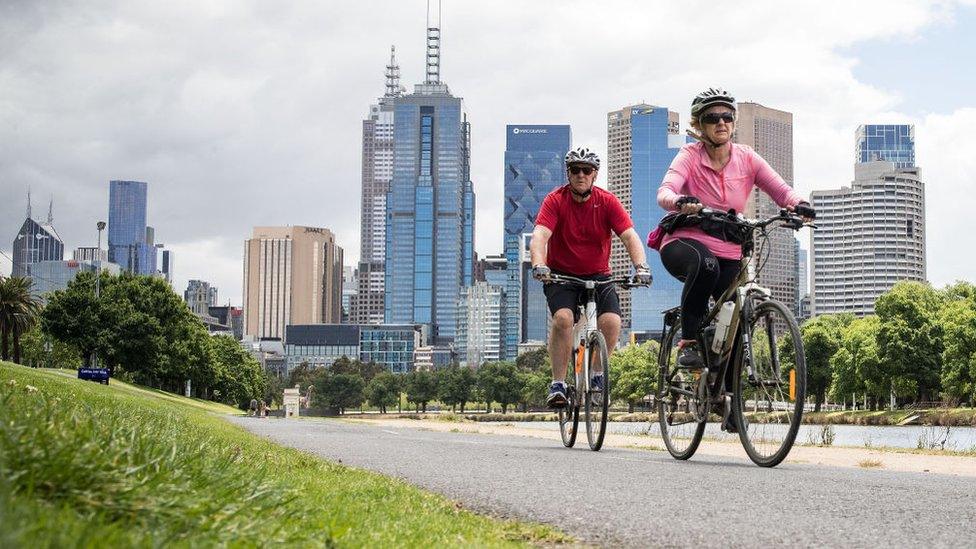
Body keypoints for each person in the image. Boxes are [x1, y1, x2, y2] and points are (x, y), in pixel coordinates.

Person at [655, 88, 815, 428]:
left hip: (731, 246)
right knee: (705, 265)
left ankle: (727, 403)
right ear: (699, 125)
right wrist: (680, 200)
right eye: (713, 118)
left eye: (727, 116)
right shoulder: (689, 155)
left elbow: (780, 189)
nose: (721, 123)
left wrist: (797, 205)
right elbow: (665, 190)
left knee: (739, 316)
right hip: (685, 241)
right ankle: (688, 340)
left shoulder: (747, 157)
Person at [530, 146, 652, 408]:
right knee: (563, 319)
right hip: (561, 275)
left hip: (599, 276)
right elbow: (540, 235)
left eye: (587, 170)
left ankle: (597, 374)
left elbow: (630, 236)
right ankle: (558, 385)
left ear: (595, 174)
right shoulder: (555, 200)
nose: (581, 175)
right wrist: (539, 264)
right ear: (569, 173)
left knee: (612, 322)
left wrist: (641, 267)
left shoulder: (607, 201)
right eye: (575, 170)